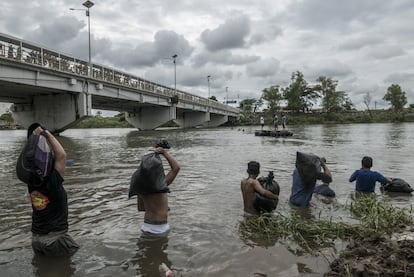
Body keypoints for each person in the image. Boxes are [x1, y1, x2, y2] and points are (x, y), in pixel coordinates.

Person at [21, 123, 79, 257]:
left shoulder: (31, 180)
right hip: (55, 239)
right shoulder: (53, 180)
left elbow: (32, 156)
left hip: (36, 239)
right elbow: (62, 155)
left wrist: (33, 140)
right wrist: (46, 133)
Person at [137, 145, 180, 235]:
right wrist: (164, 153)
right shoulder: (161, 184)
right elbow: (176, 168)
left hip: (146, 226)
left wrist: (157, 208)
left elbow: (141, 208)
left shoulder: (140, 186)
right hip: (160, 227)